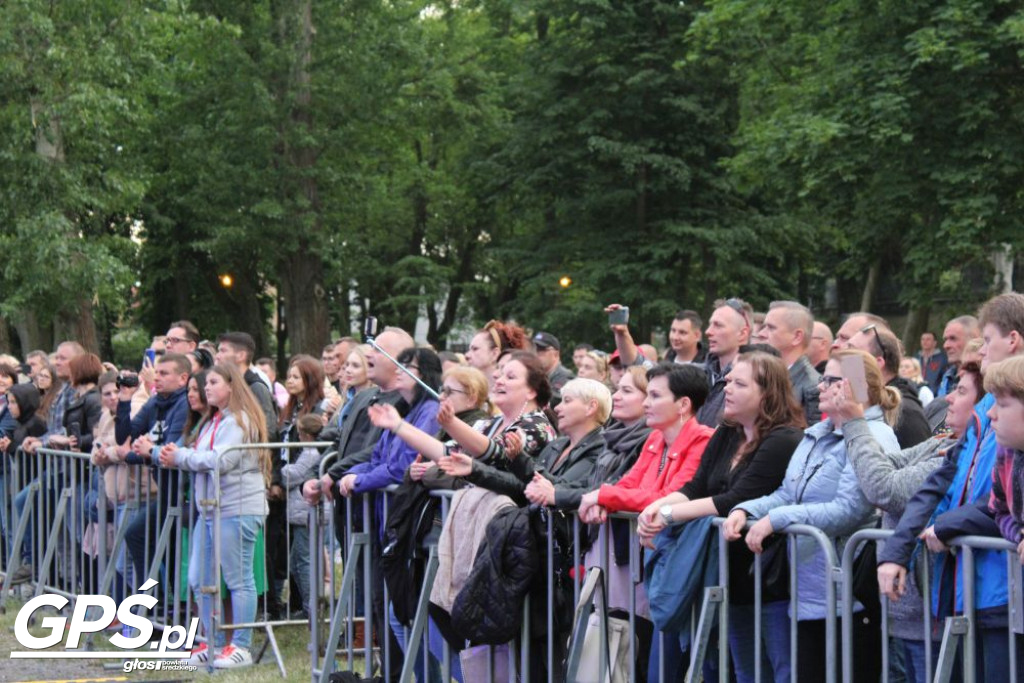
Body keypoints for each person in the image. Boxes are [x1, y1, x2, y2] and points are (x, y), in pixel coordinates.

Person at [725, 349, 901, 682]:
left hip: (850, 596)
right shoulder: (816, 435)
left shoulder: (875, 437)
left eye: (831, 380)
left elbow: (850, 508)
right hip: (809, 591)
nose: (820, 386)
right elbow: (787, 494)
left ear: (853, 389)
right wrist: (747, 510)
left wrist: (777, 520)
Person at [637, 352, 804, 683]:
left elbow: (736, 498)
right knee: (744, 671)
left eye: (739, 383)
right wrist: (656, 508)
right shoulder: (728, 430)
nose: (727, 389)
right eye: (728, 381)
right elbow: (697, 485)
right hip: (730, 576)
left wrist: (668, 514)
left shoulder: (784, 438)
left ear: (767, 393)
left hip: (769, 576)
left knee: (781, 671)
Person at [577, 362, 714, 680]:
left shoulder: (703, 440)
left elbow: (669, 493)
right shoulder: (655, 439)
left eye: (654, 396)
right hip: (657, 562)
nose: (647, 403)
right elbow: (629, 485)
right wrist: (606, 499)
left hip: (684, 570)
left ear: (683, 404)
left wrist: (603, 498)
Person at [857, 362, 984, 682]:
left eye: (961, 391)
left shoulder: (958, 447)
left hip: (932, 610)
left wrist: (854, 420)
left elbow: (884, 488)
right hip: (906, 608)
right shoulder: (943, 443)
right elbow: (884, 470)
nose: (949, 399)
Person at [159, 363, 271, 669]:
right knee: (198, 578)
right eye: (205, 383)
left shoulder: (239, 420)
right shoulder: (213, 420)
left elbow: (222, 460)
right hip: (210, 509)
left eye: (212, 382)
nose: (206, 388)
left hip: (237, 508)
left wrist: (180, 456)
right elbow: (205, 456)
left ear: (231, 386)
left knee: (238, 578)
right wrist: (176, 455)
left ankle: (241, 646)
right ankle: (215, 642)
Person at [846, 323, 931, 448]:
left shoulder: (905, 412)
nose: (842, 359)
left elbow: (922, 462)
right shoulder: (858, 404)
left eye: (851, 352)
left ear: (877, 362)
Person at [281, 413, 326, 616]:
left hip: (306, 515)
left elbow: (294, 474)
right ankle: (309, 603)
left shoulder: (311, 453)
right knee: (296, 560)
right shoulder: (312, 451)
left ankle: (311, 607)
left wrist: (277, 468)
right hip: (302, 514)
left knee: (303, 561)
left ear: (306, 434)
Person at [697, 298, 754, 427]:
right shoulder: (698, 374)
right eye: (710, 324)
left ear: (742, 333)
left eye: (718, 325)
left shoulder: (754, 381)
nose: (708, 332)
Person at [763, 300, 822, 424]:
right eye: (764, 327)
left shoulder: (812, 386)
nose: (761, 334)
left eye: (771, 328)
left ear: (797, 337)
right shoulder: (768, 375)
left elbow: (811, 439)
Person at [463, 320, 528, 388]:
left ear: (494, 354)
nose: (467, 355)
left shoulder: (512, 394)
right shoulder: (469, 392)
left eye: (475, 349)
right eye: (469, 349)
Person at [532, 331, 574, 398]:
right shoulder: (537, 375)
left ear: (555, 354)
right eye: (535, 350)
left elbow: (553, 401)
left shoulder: (565, 376)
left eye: (542, 350)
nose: (536, 354)